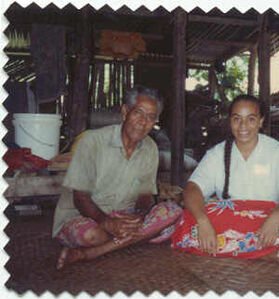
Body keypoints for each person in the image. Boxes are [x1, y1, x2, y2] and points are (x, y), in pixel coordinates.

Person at [53, 85, 182, 269]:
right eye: (138, 113)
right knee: (92, 236)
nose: (143, 121)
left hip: (125, 216)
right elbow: (80, 198)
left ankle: (93, 252)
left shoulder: (151, 148)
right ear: (124, 112)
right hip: (85, 216)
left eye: (150, 117)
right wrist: (107, 222)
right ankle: (130, 239)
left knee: (174, 211)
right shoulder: (92, 142)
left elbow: (145, 195)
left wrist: (139, 216)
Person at [171, 95, 279, 259]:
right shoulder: (217, 153)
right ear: (230, 121)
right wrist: (203, 222)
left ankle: (231, 248)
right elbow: (193, 189)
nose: (243, 126)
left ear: (261, 121)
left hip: (267, 221)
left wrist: (276, 217)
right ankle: (265, 253)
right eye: (237, 119)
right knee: (189, 218)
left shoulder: (278, 152)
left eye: (251, 119)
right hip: (230, 220)